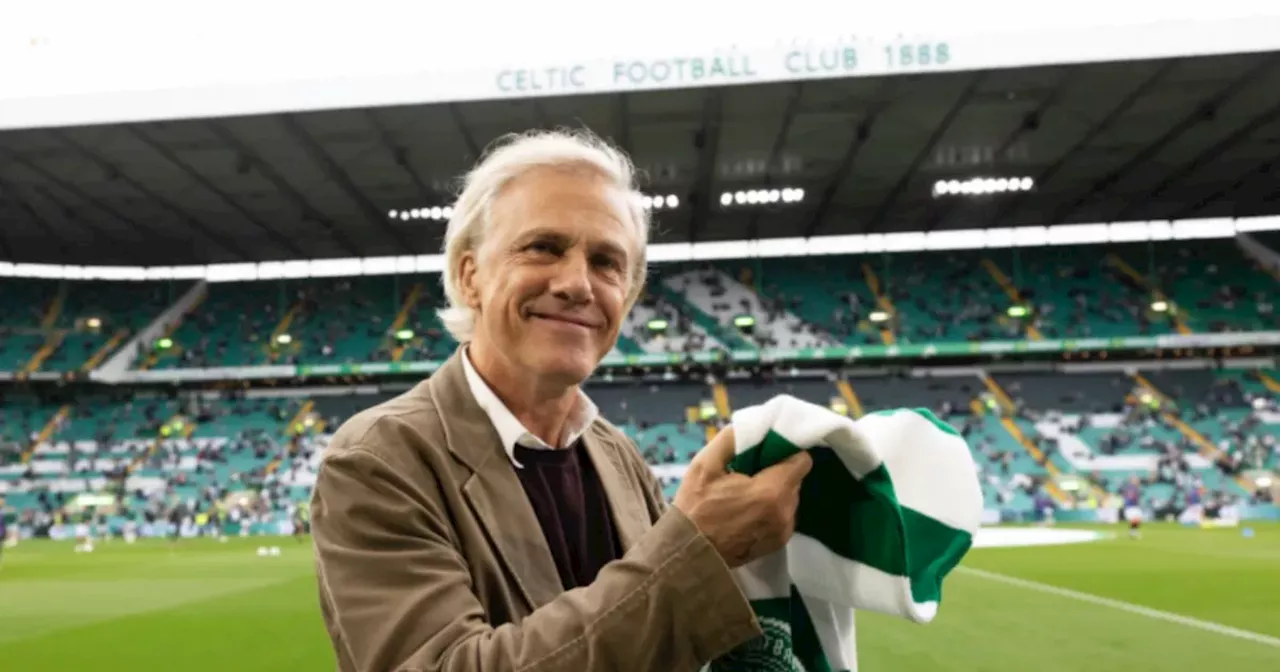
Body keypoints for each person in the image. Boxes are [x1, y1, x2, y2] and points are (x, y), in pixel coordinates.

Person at [310, 129, 813, 672]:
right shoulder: (378, 459)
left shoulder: (618, 455)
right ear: (469, 275)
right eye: (543, 248)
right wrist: (696, 557)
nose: (578, 283)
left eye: (606, 262)